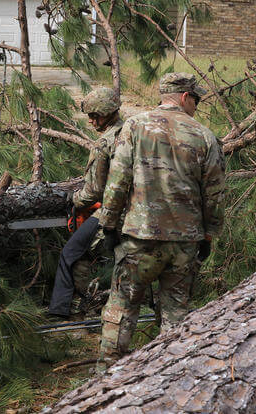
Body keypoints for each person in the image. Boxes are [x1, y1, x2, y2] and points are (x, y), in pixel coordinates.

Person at [96, 72, 225, 369]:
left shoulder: (134, 126)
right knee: (176, 315)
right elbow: (215, 195)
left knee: (122, 309)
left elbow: (117, 180)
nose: (197, 105)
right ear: (184, 97)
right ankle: (170, 377)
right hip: (184, 244)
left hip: (139, 239)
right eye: (196, 98)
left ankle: (104, 378)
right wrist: (209, 234)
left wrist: (109, 225)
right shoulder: (204, 136)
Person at [48, 87, 123, 317]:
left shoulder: (105, 143)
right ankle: (86, 303)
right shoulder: (133, 132)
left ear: (107, 113)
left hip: (112, 213)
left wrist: (74, 199)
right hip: (137, 210)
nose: (90, 121)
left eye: (94, 116)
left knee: (69, 254)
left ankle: (60, 311)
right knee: (84, 255)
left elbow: (94, 191)